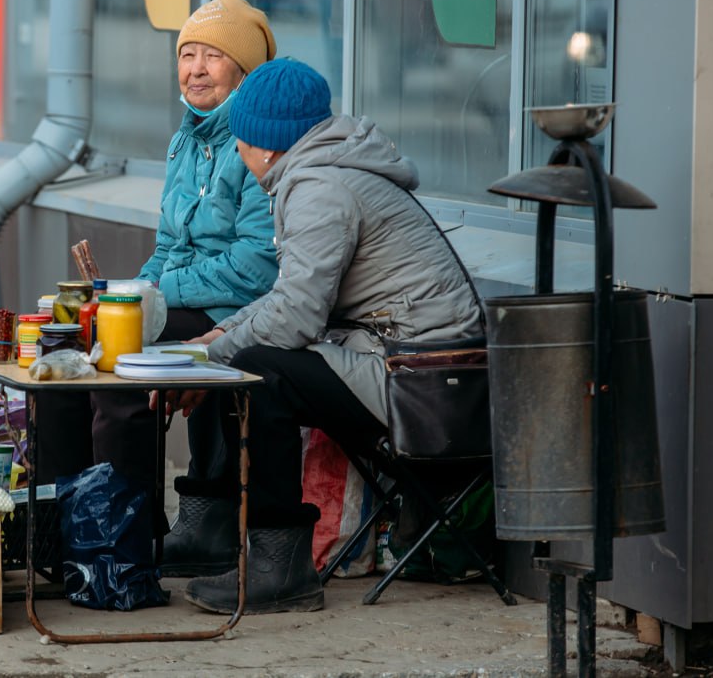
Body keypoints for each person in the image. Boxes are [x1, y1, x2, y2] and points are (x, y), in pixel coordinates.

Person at [163, 57, 482, 614]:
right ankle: (250, 546)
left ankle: (280, 566)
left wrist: (208, 356)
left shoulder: (319, 188)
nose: (238, 151)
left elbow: (293, 319)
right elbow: (288, 300)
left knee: (263, 371)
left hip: (426, 386)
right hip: (415, 367)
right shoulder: (325, 172)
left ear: (264, 143)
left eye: (240, 139)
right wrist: (214, 338)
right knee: (247, 351)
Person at [36, 0, 280, 574]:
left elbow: (255, 267)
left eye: (213, 56)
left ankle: (127, 543)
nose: (195, 68)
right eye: (187, 54)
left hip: (235, 311)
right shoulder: (186, 140)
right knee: (64, 347)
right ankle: (62, 533)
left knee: (122, 370)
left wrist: (157, 293)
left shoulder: (259, 144)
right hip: (181, 300)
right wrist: (125, 294)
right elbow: (168, 248)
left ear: (244, 71)